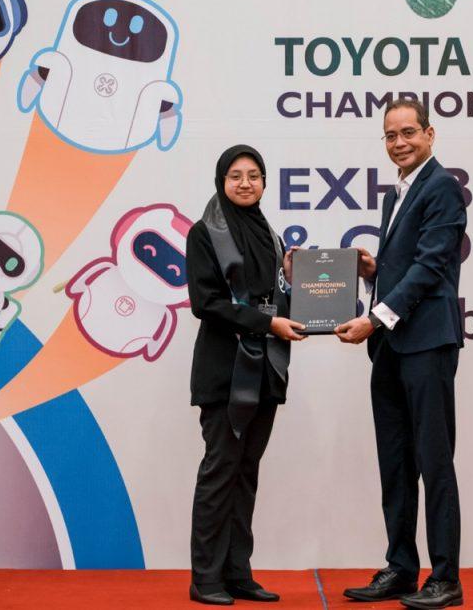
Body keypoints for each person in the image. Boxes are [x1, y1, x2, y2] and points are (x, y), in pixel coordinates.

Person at [335, 99, 467, 609]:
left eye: (408, 132)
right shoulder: (399, 193)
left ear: (430, 134)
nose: (399, 143)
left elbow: (431, 267)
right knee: (395, 462)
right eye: (390, 135)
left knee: (434, 461)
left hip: (426, 343)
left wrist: (372, 318)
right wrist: (375, 271)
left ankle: (446, 578)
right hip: (392, 346)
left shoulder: (443, 187)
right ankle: (401, 568)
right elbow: (409, 263)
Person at [186, 145, 306, 605]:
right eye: (235, 175)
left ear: (264, 183)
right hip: (224, 373)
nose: (245, 183)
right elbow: (207, 303)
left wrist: (289, 277)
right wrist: (266, 324)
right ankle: (206, 578)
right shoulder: (204, 233)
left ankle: (237, 573)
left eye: (254, 175)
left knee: (246, 473)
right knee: (220, 472)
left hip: (264, 372)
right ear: (222, 181)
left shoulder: (269, 235)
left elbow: (272, 299)